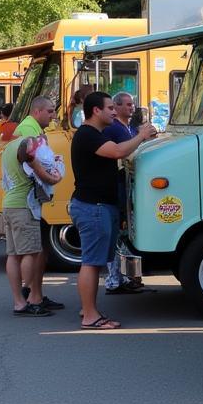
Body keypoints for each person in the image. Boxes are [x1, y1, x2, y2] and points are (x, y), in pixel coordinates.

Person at [70, 91, 156, 330]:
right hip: (93, 208)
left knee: (94, 262)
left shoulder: (93, 134)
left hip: (97, 207)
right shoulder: (88, 135)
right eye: (109, 108)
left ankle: (88, 309)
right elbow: (119, 151)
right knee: (91, 262)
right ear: (96, 111)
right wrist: (141, 135)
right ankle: (89, 316)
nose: (114, 111)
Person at [1, 96, 62, 315]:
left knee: (14, 254)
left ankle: (22, 300)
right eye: (50, 111)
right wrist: (53, 175)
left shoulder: (10, 144)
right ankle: (27, 295)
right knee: (31, 253)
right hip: (25, 206)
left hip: (10, 204)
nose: (53, 115)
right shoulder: (28, 141)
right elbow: (41, 172)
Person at [103, 91, 141, 295]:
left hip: (129, 186)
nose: (131, 107)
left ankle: (125, 277)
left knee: (125, 233)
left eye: (132, 104)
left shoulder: (129, 127)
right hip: (118, 184)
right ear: (116, 107)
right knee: (118, 233)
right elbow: (122, 152)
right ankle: (113, 280)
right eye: (127, 104)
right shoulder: (113, 129)